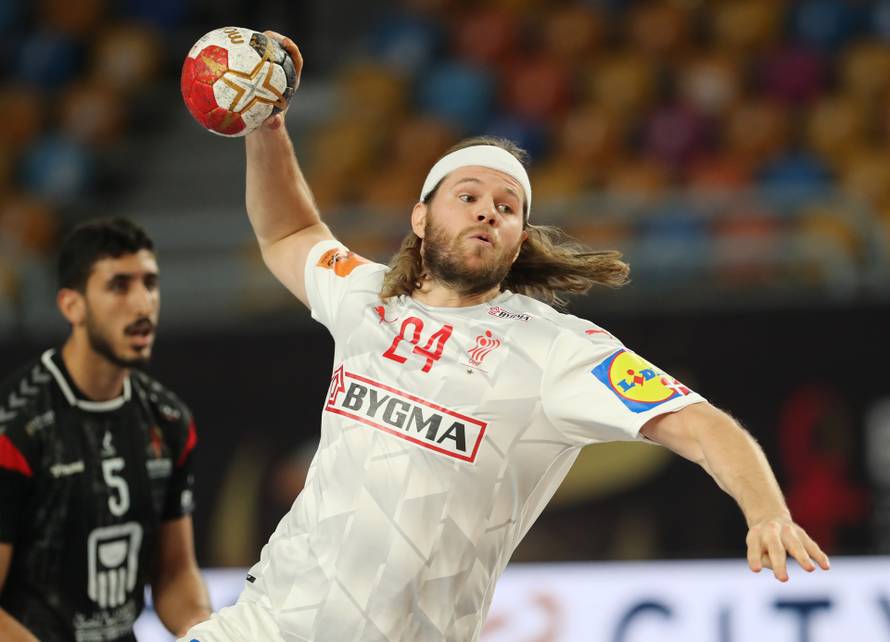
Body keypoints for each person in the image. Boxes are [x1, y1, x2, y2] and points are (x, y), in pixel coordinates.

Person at [182, 34, 829, 642]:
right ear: (420, 216)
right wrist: (265, 126)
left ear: (518, 237)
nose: (488, 209)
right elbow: (290, 234)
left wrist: (766, 509)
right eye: (468, 195)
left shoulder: (556, 349)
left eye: (507, 205)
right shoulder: (365, 298)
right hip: (259, 626)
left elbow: (700, 424)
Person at [0, 217, 211, 641]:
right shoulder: (16, 428)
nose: (142, 304)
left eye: (150, 283)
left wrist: (204, 633)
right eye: (119, 286)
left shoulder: (169, 421)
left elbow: (173, 575)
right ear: (70, 305)